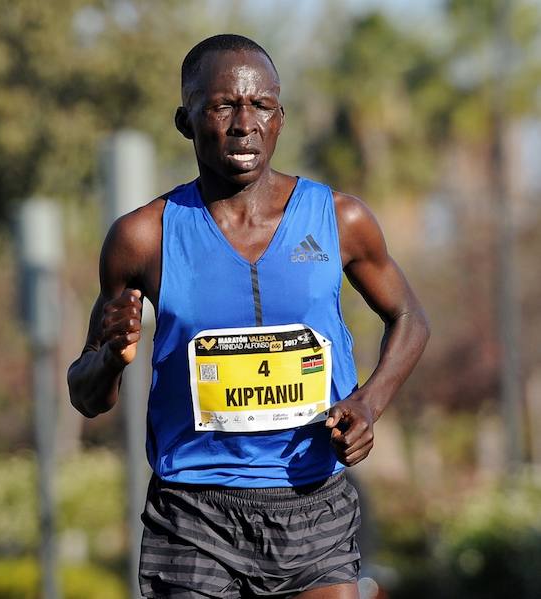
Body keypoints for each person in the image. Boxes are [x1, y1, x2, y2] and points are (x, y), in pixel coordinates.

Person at [67, 34, 429, 598]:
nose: (244, 123)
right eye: (222, 105)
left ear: (281, 117)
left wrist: (368, 402)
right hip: (193, 511)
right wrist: (111, 358)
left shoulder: (341, 219)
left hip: (313, 499)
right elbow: (88, 396)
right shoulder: (142, 238)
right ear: (185, 121)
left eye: (261, 105)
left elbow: (410, 317)